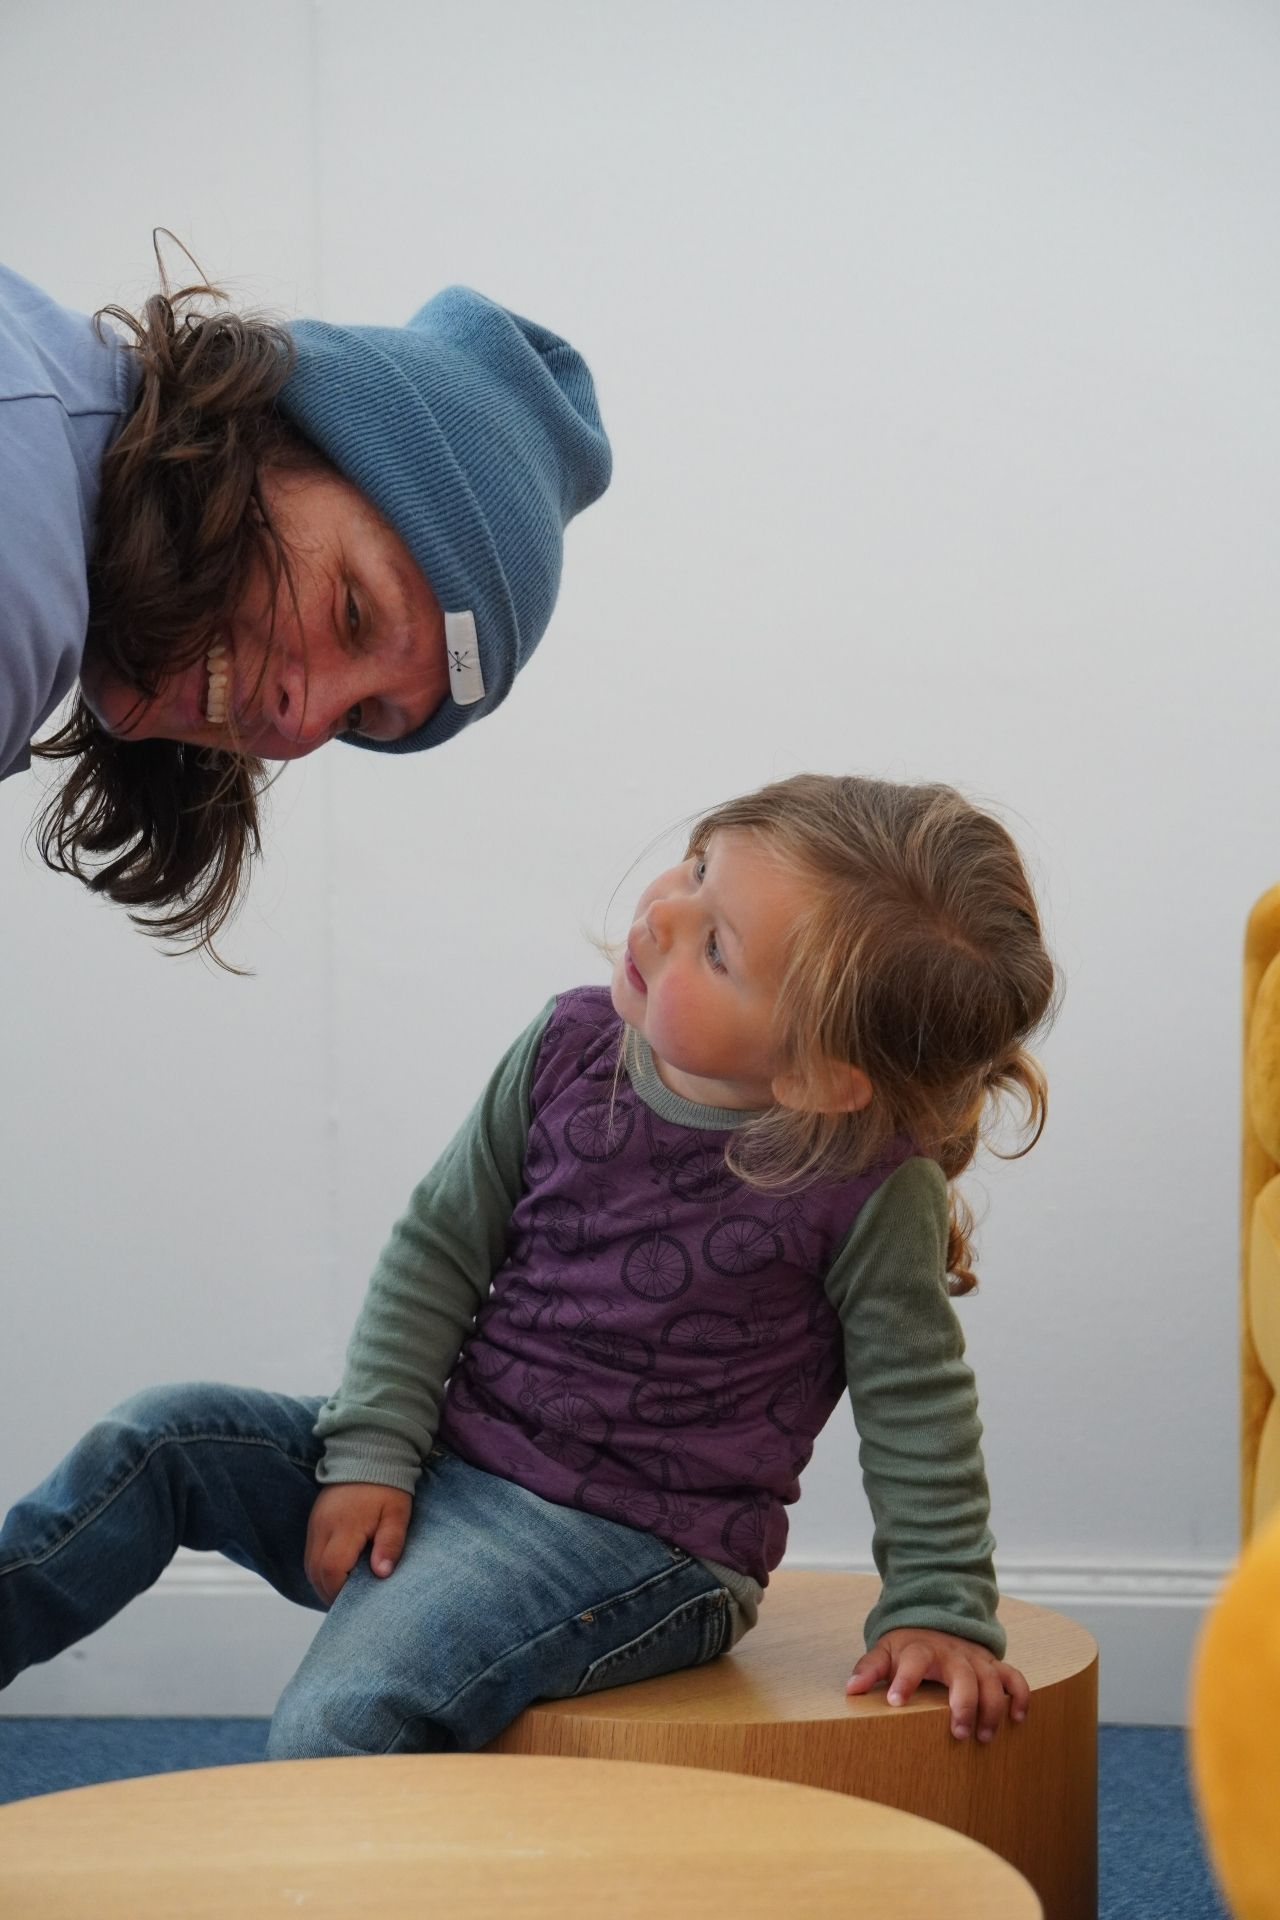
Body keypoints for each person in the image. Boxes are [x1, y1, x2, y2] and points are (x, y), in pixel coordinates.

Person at [0, 773, 1057, 1751]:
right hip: (454, 1458)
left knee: (337, 1723)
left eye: (717, 949)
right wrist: (373, 1451)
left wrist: (938, 1607)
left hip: (638, 1548)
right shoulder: (567, 1047)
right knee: (159, 1440)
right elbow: (438, 1250)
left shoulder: (870, 1186)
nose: (663, 916)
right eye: (696, 869)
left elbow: (915, 1403)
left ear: (819, 1078)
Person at [0, 255, 611, 947]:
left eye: (359, 716)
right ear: (272, 430)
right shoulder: (23, 577)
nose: (306, 722)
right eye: (353, 613)